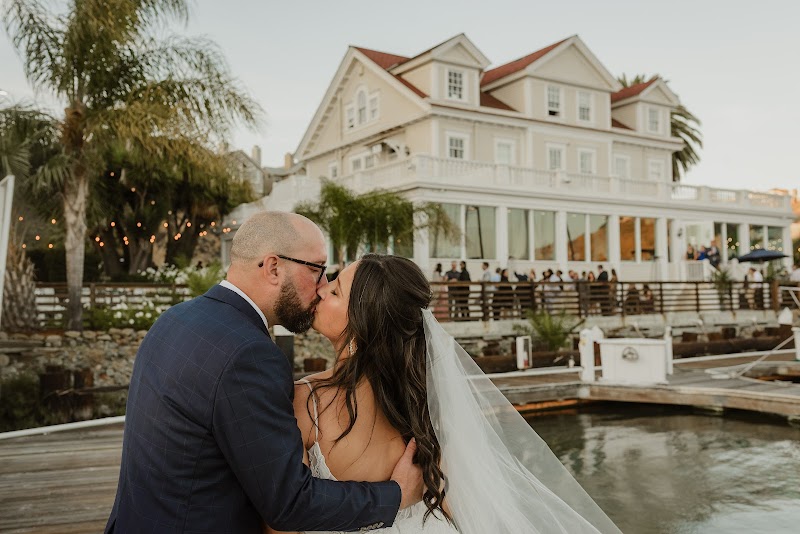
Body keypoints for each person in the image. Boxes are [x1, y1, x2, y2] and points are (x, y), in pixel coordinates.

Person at [105, 213, 422, 533]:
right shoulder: (251, 356)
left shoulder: (173, 319)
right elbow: (288, 503)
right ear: (273, 267)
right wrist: (395, 496)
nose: (322, 286)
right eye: (316, 269)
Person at [287, 254, 619, 533]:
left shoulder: (305, 403)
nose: (322, 288)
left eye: (335, 290)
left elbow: (284, 517)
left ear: (361, 321)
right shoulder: (426, 401)